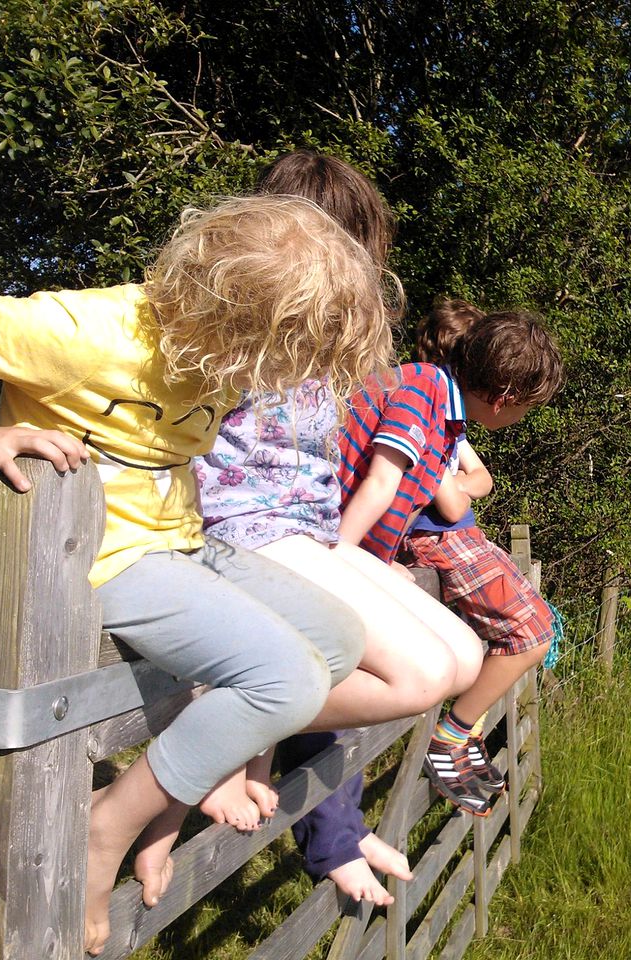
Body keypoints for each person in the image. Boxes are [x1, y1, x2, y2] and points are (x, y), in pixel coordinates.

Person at [0, 194, 392, 956]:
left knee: (341, 640)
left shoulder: (216, 353)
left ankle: (168, 801)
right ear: (231, 317)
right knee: (286, 678)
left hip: (176, 543)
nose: (277, 382)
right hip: (104, 557)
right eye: (277, 358)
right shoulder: (87, 332)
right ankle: (105, 832)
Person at [193, 150, 484, 905]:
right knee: (414, 671)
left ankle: (322, 812)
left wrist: (358, 560)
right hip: (246, 532)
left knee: (461, 655)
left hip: (308, 531)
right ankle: (229, 721)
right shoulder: (225, 326)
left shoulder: (326, 355)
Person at [402, 300, 563, 813]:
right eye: (525, 408)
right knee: (532, 631)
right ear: (503, 398)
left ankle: (459, 736)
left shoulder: (445, 408)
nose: (522, 419)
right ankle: (451, 737)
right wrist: (463, 489)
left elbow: (480, 482)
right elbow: (451, 500)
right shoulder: (431, 406)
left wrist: (465, 488)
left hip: (455, 536)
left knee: (534, 625)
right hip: (442, 540)